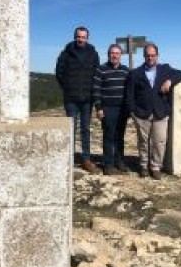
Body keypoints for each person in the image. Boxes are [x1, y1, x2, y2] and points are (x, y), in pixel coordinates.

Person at [126, 43, 181, 179]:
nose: (150, 58)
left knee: (160, 141)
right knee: (143, 142)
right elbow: (129, 94)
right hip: (141, 114)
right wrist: (133, 112)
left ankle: (155, 166)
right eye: (147, 55)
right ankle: (143, 166)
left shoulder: (165, 69)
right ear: (144, 56)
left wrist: (170, 81)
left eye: (153, 55)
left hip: (161, 112)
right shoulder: (135, 73)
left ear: (157, 56)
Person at [55, 25, 100, 173]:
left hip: (88, 98)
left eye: (83, 37)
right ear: (75, 37)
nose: (80, 39)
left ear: (87, 38)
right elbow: (59, 72)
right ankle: (70, 157)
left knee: (86, 129)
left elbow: (96, 74)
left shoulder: (93, 54)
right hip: (71, 98)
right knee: (71, 128)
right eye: (78, 36)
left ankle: (86, 159)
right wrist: (67, 88)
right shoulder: (66, 53)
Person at [92, 44, 130, 175]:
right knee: (108, 137)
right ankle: (108, 165)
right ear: (108, 55)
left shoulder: (126, 70)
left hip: (122, 109)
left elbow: (129, 90)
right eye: (112, 53)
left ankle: (119, 162)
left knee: (120, 137)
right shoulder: (101, 69)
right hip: (107, 108)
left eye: (117, 53)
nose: (115, 55)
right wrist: (98, 108)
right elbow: (96, 90)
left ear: (121, 55)